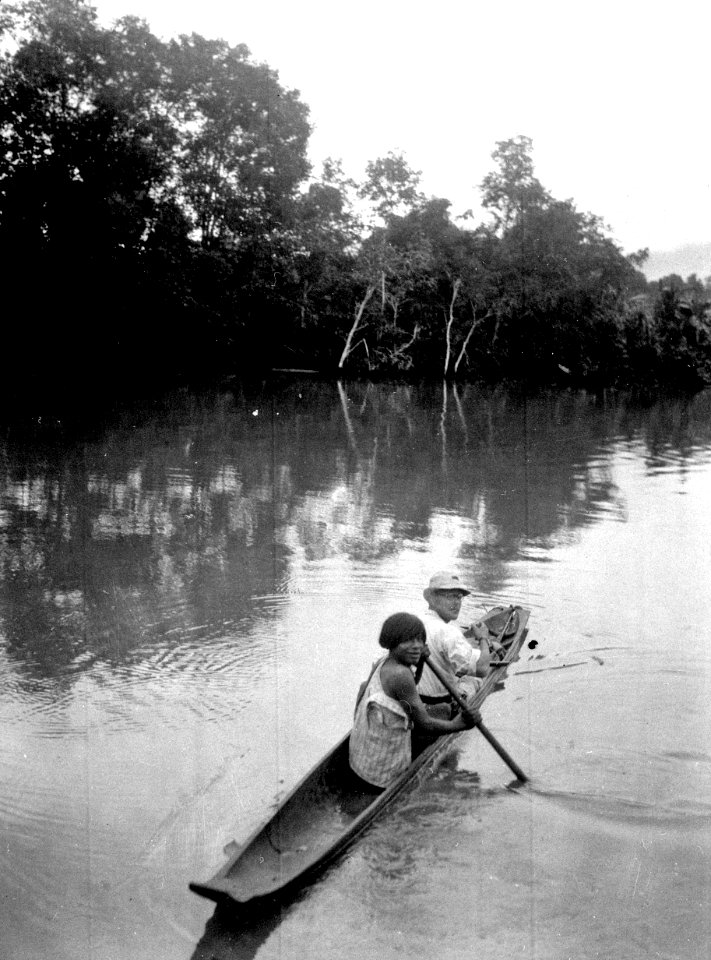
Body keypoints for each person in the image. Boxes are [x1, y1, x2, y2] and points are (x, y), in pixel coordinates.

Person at [349, 612, 479, 791]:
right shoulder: (400, 675)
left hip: (361, 764)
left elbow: (405, 690)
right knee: (444, 712)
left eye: (419, 640)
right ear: (392, 641)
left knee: (441, 709)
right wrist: (461, 725)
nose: (416, 646)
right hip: (381, 776)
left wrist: (421, 663)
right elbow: (425, 724)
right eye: (408, 641)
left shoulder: (385, 662)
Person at [417, 571, 494, 718]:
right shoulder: (448, 632)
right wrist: (483, 639)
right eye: (450, 596)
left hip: (416, 701)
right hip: (439, 706)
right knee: (475, 679)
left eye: (459, 597)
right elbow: (482, 669)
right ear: (431, 599)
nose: (457, 603)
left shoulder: (415, 621)